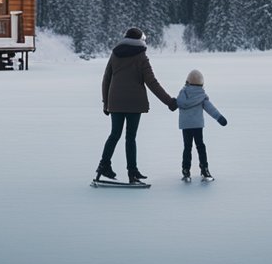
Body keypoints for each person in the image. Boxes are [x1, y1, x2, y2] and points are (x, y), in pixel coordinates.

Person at [97, 28, 177, 184]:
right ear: (140, 40)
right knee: (130, 137)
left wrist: (106, 103)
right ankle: (132, 172)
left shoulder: (115, 53)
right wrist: (169, 101)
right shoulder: (141, 56)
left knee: (114, 134)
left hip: (115, 101)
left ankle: (103, 165)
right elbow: (152, 82)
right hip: (134, 103)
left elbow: (106, 79)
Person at [176, 68, 227, 181]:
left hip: (186, 126)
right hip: (197, 126)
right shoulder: (201, 96)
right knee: (200, 146)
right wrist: (219, 117)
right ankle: (205, 170)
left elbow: (178, 102)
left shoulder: (182, 94)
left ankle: (186, 171)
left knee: (187, 147)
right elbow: (211, 109)